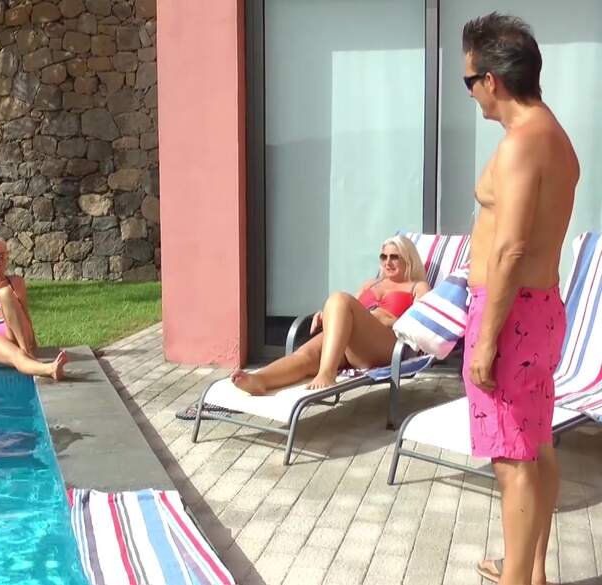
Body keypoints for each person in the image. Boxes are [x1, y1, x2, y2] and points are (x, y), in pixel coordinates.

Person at [460, 13, 579, 585]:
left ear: (492, 80)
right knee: (536, 445)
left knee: (512, 461)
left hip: (510, 315)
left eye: (469, 81)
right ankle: (530, 572)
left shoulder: (521, 145)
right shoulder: (556, 138)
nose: (471, 93)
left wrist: (485, 341)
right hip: (541, 307)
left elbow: (509, 250)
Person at [231, 235, 430, 395]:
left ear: (408, 259)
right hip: (354, 344)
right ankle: (261, 379)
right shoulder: (371, 284)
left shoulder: (417, 287)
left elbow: (422, 322)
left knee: (340, 298)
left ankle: (327, 373)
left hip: (386, 345)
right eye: (383, 257)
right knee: (306, 355)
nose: (387, 262)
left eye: (394, 257)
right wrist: (328, 313)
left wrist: (391, 320)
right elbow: (349, 307)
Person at [0, 235, 67, 380]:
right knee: (15, 355)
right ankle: (49, 369)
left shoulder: (16, 282)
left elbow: (24, 313)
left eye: (2, 256)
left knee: (4, 293)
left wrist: (34, 344)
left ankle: (27, 351)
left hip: (15, 331)